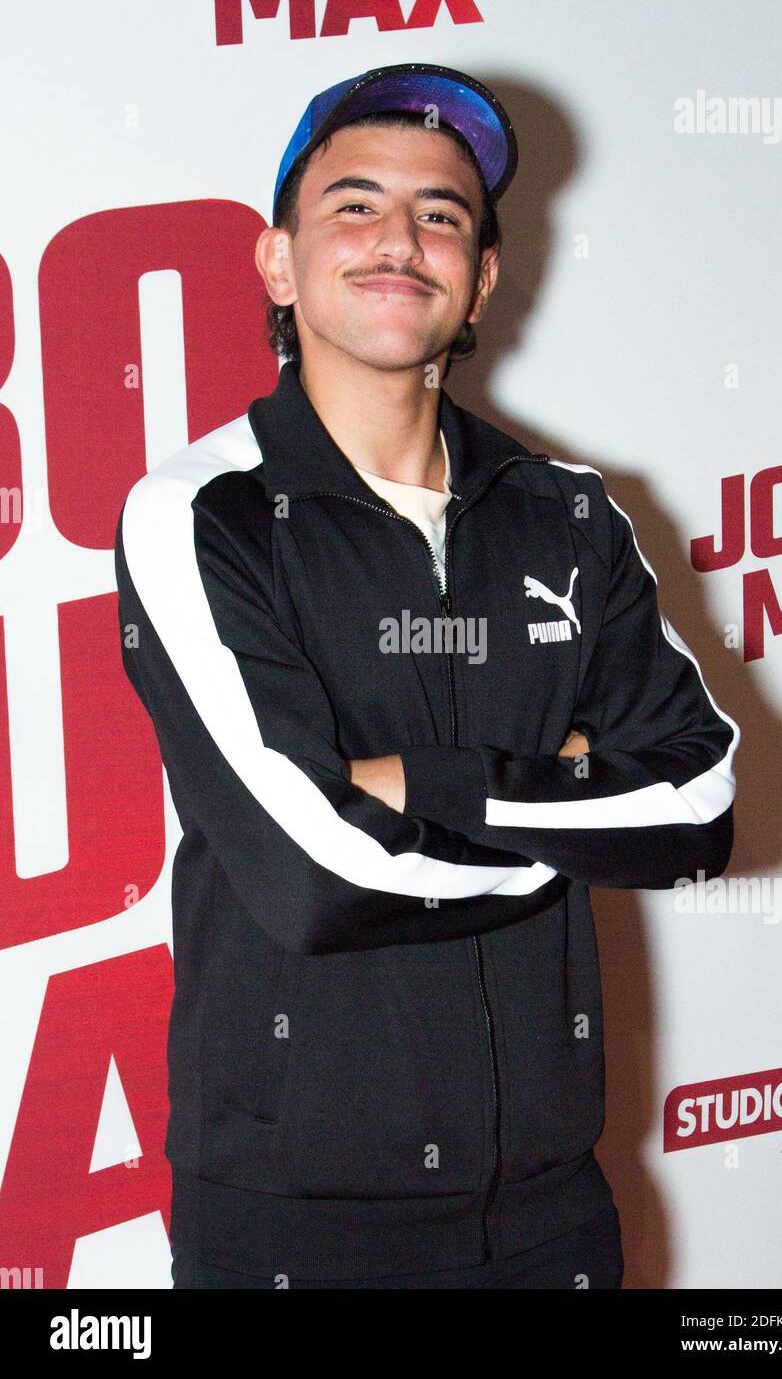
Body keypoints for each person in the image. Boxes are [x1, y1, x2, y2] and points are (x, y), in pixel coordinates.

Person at [114, 62, 739, 1289]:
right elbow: (307, 871)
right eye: (353, 204)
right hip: (300, 1218)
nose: (400, 237)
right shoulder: (201, 514)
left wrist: (417, 779)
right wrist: (569, 806)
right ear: (279, 266)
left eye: (441, 214)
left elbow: (696, 809)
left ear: (480, 280)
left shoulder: (567, 513)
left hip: (553, 1207)